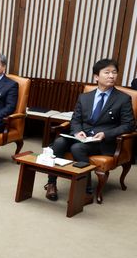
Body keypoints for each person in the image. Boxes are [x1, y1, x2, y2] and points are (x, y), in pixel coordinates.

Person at [44, 59, 135, 202]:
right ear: (96, 77)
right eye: (107, 72)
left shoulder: (123, 99)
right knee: (59, 143)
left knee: (77, 148)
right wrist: (77, 131)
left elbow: (129, 125)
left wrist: (106, 134)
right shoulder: (85, 97)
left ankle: (86, 191)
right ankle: (51, 184)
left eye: (114, 72)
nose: (111, 76)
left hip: (104, 142)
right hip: (83, 137)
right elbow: (75, 119)